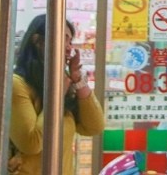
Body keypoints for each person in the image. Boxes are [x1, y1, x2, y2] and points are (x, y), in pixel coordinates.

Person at [9, 14, 104, 175]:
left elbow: (94, 126)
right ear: (38, 41)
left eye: (70, 41)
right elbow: (32, 143)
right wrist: (56, 96)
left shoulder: (61, 84)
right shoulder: (17, 85)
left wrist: (78, 81)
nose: (69, 48)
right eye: (63, 39)